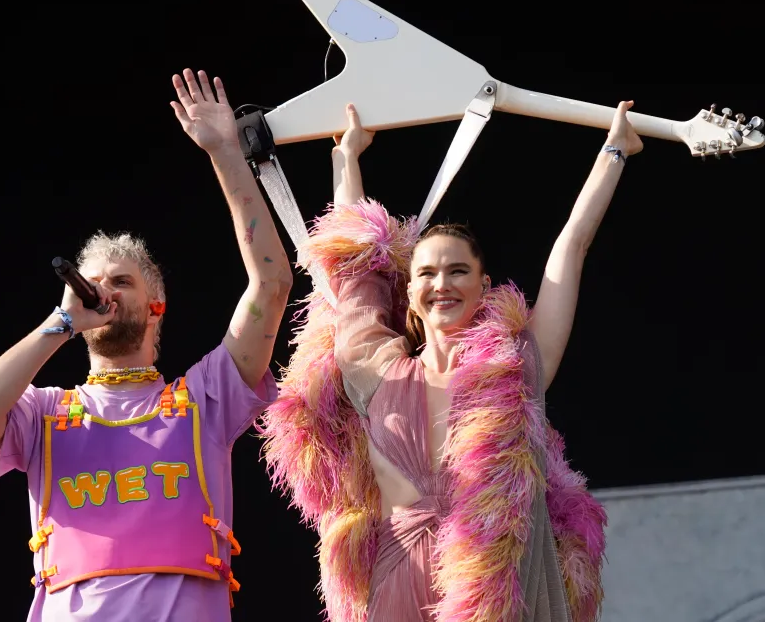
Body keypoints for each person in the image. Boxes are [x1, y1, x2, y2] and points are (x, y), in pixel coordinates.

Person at [260, 101, 643, 621]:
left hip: (494, 588)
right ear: (411, 289)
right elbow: (354, 265)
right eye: (427, 274)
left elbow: (570, 248)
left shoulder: (513, 372)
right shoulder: (375, 369)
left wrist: (614, 152)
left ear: (483, 286)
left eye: (457, 271)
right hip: (397, 583)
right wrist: (346, 158)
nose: (442, 284)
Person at [0, 69, 293, 622]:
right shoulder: (45, 415)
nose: (105, 292)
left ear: (156, 304)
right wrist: (61, 323)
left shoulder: (205, 399)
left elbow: (272, 284)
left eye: (123, 282)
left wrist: (225, 152)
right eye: (95, 282)